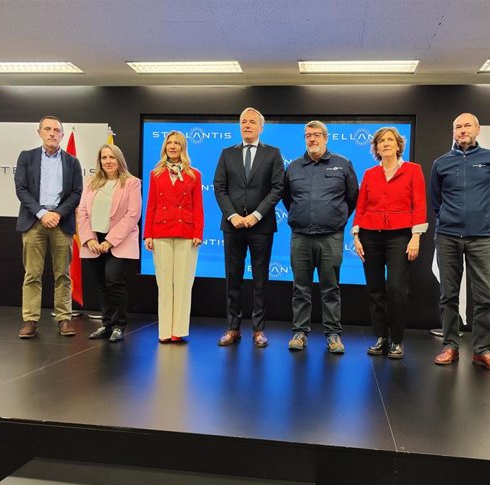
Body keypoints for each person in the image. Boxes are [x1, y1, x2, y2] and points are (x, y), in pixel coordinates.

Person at [430, 113, 490, 373]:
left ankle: (482, 350)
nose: (462, 130)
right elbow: (435, 201)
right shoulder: (441, 163)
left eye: (467, 126)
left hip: (482, 237)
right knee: (448, 295)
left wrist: (480, 216)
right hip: (448, 237)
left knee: (486, 296)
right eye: (458, 127)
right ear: (453, 132)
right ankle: (450, 345)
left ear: (477, 129)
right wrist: (451, 219)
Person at [283, 121, 358, 354]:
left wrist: (336, 219)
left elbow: (352, 198)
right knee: (300, 287)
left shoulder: (343, 164)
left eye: (316, 135)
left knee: (330, 288)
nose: (312, 139)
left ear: (326, 138)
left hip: (331, 237)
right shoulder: (293, 167)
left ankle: (333, 334)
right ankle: (300, 332)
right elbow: (288, 199)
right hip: (301, 237)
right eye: (308, 135)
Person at [213, 107, 285, 347]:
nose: (247, 125)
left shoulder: (273, 153)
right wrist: (232, 215)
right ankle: (233, 328)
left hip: (261, 226)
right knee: (232, 278)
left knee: (260, 279)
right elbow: (219, 187)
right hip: (232, 226)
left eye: (252, 122)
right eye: (243, 121)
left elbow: (277, 188)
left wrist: (256, 215)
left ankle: (258, 330)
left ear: (261, 127)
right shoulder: (226, 153)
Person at [353, 127, 427, 359]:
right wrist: (356, 236)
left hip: (400, 236)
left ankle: (396, 339)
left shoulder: (413, 170)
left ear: (398, 145)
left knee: (396, 288)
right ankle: (381, 337)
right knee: (375, 289)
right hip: (370, 236)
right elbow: (361, 206)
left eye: (389, 140)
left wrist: (416, 236)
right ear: (376, 148)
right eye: (381, 141)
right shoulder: (369, 174)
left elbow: (420, 204)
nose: (385, 144)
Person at [15, 115, 83, 339]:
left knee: (62, 274)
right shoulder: (27, 157)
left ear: (62, 135)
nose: (52, 133)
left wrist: (57, 214)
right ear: (40, 133)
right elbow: (22, 189)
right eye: (48, 129)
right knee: (32, 274)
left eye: (56, 130)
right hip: (34, 221)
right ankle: (30, 321)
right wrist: (43, 213)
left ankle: (64, 319)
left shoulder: (72, 162)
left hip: (61, 223)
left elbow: (76, 193)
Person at [77, 144, 142, 342]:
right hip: (94, 240)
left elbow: (133, 215)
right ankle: (106, 324)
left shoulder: (132, 183)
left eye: (112, 157)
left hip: (119, 241)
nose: (108, 161)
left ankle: (119, 325)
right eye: (104, 158)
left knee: (113, 280)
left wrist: (109, 241)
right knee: (100, 284)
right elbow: (81, 212)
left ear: (119, 160)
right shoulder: (90, 183)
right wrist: (89, 239)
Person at [143, 131, 204, 343]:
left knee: (183, 283)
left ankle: (178, 329)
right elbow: (151, 205)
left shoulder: (194, 174)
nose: (173, 146)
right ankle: (164, 331)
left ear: (183, 147)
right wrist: (147, 234)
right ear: (165, 147)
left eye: (177, 143)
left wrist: (198, 233)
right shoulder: (156, 174)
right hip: (161, 231)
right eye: (169, 142)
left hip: (186, 232)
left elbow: (198, 207)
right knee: (164, 283)